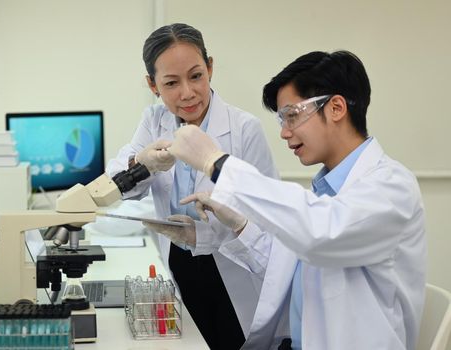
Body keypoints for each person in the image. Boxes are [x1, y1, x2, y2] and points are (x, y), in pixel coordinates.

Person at [168, 50, 427, 349]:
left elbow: (322, 235)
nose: (283, 132)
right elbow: (288, 263)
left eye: (292, 115)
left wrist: (217, 163)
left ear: (336, 107)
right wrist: (239, 224)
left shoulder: (391, 187)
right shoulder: (326, 191)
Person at [106, 23, 278, 349]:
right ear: (152, 85)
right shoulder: (154, 121)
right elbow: (119, 184)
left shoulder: (244, 129)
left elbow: (268, 223)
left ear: (210, 68)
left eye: (196, 76)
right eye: (171, 83)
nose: (187, 92)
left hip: (232, 268)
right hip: (179, 263)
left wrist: (205, 234)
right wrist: (140, 165)